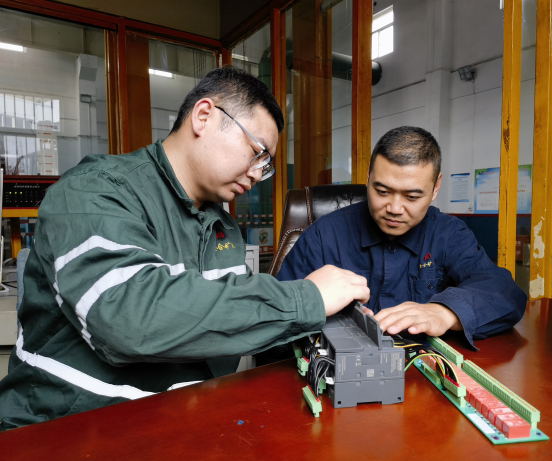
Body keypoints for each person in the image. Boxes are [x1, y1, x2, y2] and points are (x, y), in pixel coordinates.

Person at [0, 67, 369, 430]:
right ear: (204, 116)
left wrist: (345, 326)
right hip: (62, 430)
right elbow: (132, 320)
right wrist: (307, 299)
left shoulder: (223, 226)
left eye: (266, 165)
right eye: (257, 152)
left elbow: (228, 320)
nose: (258, 174)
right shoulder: (94, 190)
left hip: (176, 426)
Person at [276, 126, 526, 348]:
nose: (394, 208)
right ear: (368, 177)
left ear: (435, 188)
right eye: (382, 191)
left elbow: (504, 291)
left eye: (412, 197)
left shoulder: (449, 234)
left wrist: (445, 312)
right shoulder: (323, 236)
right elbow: (275, 315)